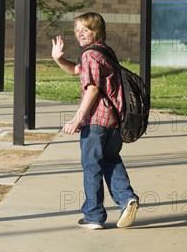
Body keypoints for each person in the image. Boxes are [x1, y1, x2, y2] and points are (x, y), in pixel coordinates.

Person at [51, 12, 138, 230]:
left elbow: (92, 88)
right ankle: (127, 198)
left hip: (96, 121)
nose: (79, 34)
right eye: (77, 30)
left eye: (85, 30)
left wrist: (76, 119)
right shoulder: (104, 52)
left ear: (96, 31)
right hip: (115, 121)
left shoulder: (91, 55)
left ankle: (93, 216)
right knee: (111, 159)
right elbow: (76, 71)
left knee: (92, 167)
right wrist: (58, 58)